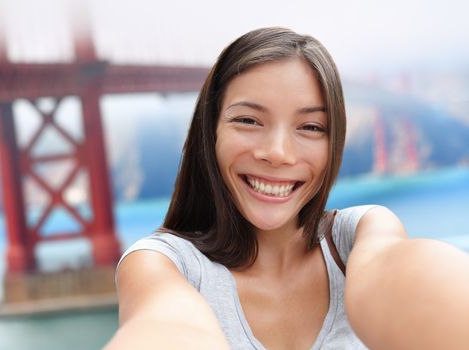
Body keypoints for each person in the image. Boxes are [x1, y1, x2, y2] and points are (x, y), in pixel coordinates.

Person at [105, 27, 469, 349]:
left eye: (311, 127)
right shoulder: (161, 264)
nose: (278, 153)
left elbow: (405, 278)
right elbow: (166, 326)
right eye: (248, 120)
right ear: (210, 131)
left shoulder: (360, 235)